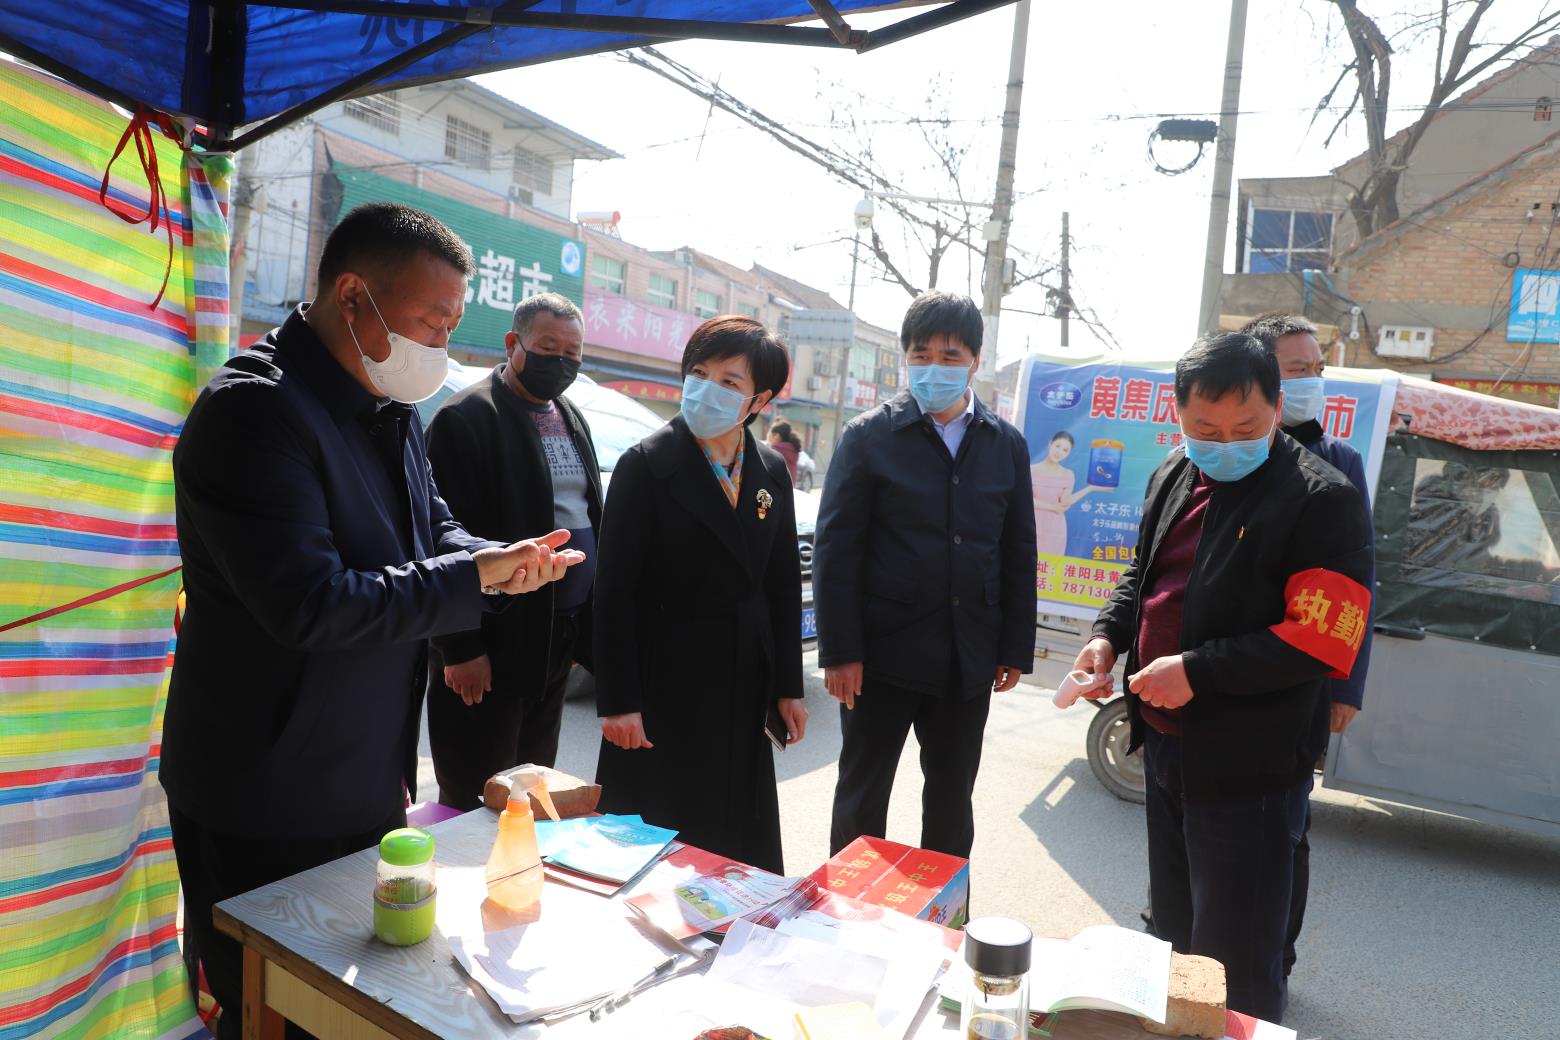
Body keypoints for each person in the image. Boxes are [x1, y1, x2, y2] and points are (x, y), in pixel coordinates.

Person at [162, 203, 584, 1039]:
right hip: (263, 788)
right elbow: (312, 603)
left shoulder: (388, 408)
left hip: (364, 777)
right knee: (268, 1008)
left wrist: (500, 559)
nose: (442, 345)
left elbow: (433, 531)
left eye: (453, 327)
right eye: (433, 321)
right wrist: (470, 576)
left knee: (355, 1005)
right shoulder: (254, 413)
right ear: (353, 296)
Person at [1074, 333, 1371, 1022]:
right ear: (1178, 414)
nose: (1226, 443)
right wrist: (1106, 638)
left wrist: (1198, 671)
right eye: (1206, 429)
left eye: (1246, 427)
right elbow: (1144, 575)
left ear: (1276, 409)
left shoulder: (1321, 499)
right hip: (1166, 746)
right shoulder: (1175, 472)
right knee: (1174, 940)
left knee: (1235, 961)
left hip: (1251, 765)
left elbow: (1322, 637)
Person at [815, 291, 1037, 859]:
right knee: (862, 796)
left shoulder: (1006, 444)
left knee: (951, 802)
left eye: (949, 356)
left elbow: (1017, 549)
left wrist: (1013, 647)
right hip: (880, 657)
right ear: (905, 357)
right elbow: (837, 550)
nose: (933, 368)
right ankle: (850, 906)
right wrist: (840, 652)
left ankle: (946, 908)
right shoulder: (869, 436)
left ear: (975, 361)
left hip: (967, 657)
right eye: (921, 355)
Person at [593, 315, 808, 874]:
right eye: (699, 373)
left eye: (729, 382)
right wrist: (619, 701)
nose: (707, 388)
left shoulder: (770, 471)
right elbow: (613, 592)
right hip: (664, 683)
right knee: (656, 851)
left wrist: (788, 685)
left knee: (735, 846)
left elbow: (782, 584)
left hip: (742, 683)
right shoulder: (645, 465)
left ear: (759, 400)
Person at [424, 293, 602, 808]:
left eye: (572, 353)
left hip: (553, 637)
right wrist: (460, 649)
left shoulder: (569, 414)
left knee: (531, 787)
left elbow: (588, 511)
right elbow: (437, 539)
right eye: (548, 347)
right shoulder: (467, 417)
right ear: (513, 343)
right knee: (477, 790)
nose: (561, 361)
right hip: (491, 640)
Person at [1239, 313, 1375, 980]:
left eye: (1317, 370)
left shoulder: (1339, 462)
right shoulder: (1229, 453)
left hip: (1301, 680)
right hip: (1223, 674)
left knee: (1286, 832)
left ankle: (1273, 965)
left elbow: (1359, 583)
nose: (1312, 382)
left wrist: (1346, 685)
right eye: (1297, 370)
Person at [1031, 430, 1105, 555]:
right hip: (1031, 523)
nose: (1059, 452)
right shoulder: (1031, 470)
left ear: (1068, 453)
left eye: (1065, 450)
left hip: (1055, 527)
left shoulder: (1067, 474)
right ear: (1050, 444)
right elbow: (1025, 499)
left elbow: (1065, 501)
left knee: (1050, 563)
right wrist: (1053, 507)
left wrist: (1089, 488)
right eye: (1058, 446)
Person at [767, 419, 801, 483]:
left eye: (771, 435)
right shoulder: (793, 450)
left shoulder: (775, 451)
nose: (769, 438)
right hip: (790, 488)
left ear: (777, 436)